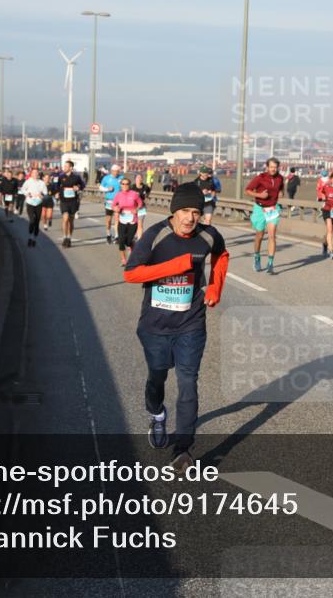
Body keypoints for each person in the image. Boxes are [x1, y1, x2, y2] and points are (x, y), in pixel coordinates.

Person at [123, 183, 230, 472]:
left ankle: (183, 449)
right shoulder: (156, 235)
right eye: (185, 211)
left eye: (196, 212)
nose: (190, 218)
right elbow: (131, 274)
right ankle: (157, 414)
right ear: (174, 211)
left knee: (188, 382)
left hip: (191, 323)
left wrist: (215, 288)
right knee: (157, 377)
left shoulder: (208, 235)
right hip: (155, 326)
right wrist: (176, 265)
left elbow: (222, 256)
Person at [244, 157, 285, 274]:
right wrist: (260, 195)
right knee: (260, 235)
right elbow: (247, 190)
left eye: (275, 167)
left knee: (272, 235)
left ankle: (270, 263)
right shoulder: (260, 178)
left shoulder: (280, 178)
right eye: (271, 167)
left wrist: (281, 193)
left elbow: (281, 189)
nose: (273, 169)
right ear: (267, 167)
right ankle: (257, 257)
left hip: (272, 208)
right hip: (260, 209)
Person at [112, 177, 144, 266]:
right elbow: (113, 205)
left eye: (127, 184)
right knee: (121, 241)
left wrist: (136, 209)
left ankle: (133, 249)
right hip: (122, 220)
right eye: (123, 184)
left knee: (129, 241)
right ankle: (124, 260)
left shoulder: (134, 194)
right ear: (121, 185)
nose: (125, 185)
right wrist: (115, 208)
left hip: (132, 220)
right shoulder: (118, 195)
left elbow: (140, 203)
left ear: (129, 185)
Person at [58, 160, 84, 248]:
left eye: (66, 166)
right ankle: (65, 237)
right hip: (64, 201)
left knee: (71, 221)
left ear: (71, 168)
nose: (64, 168)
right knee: (65, 218)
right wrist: (56, 193)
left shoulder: (76, 177)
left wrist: (78, 187)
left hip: (73, 201)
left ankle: (69, 238)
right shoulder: (61, 176)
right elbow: (57, 186)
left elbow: (82, 185)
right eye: (64, 166)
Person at [21, 168, 47, 248]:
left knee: (37, 222)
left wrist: (41, 195)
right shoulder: (28, 181)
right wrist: (27, 193)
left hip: (38, 203)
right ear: (31, 174)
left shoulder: (42, 183)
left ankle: (34, 238)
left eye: (36, 172)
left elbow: (45, 192)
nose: (35, 174)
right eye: (33, 173)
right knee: (32, 220)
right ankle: (30, 237)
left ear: (38, 174)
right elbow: (23, 189)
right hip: (30, 203)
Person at [99, 163, 123, 244]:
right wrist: (107, 189)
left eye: (117, 171)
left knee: (117, 219)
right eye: (115, 171)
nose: (116, 173)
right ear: (111, 171)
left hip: (118, 202)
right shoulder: (106, 178)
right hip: (109, 201)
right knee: (108, 220)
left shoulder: (121, 178)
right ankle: (108, 234)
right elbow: (100, 187)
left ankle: (117, 236)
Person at [134, 173, 151, 238]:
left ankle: (139, 240)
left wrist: (146, 199)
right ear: (135, 179)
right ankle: (132, 237)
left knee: (140, 224)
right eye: (138, 177)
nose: (139, 179)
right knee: (133, 224)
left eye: (141, 178)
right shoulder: (132, 187)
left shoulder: (145, 187)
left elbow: (148, 192)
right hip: (133, 208)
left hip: (141, 208)